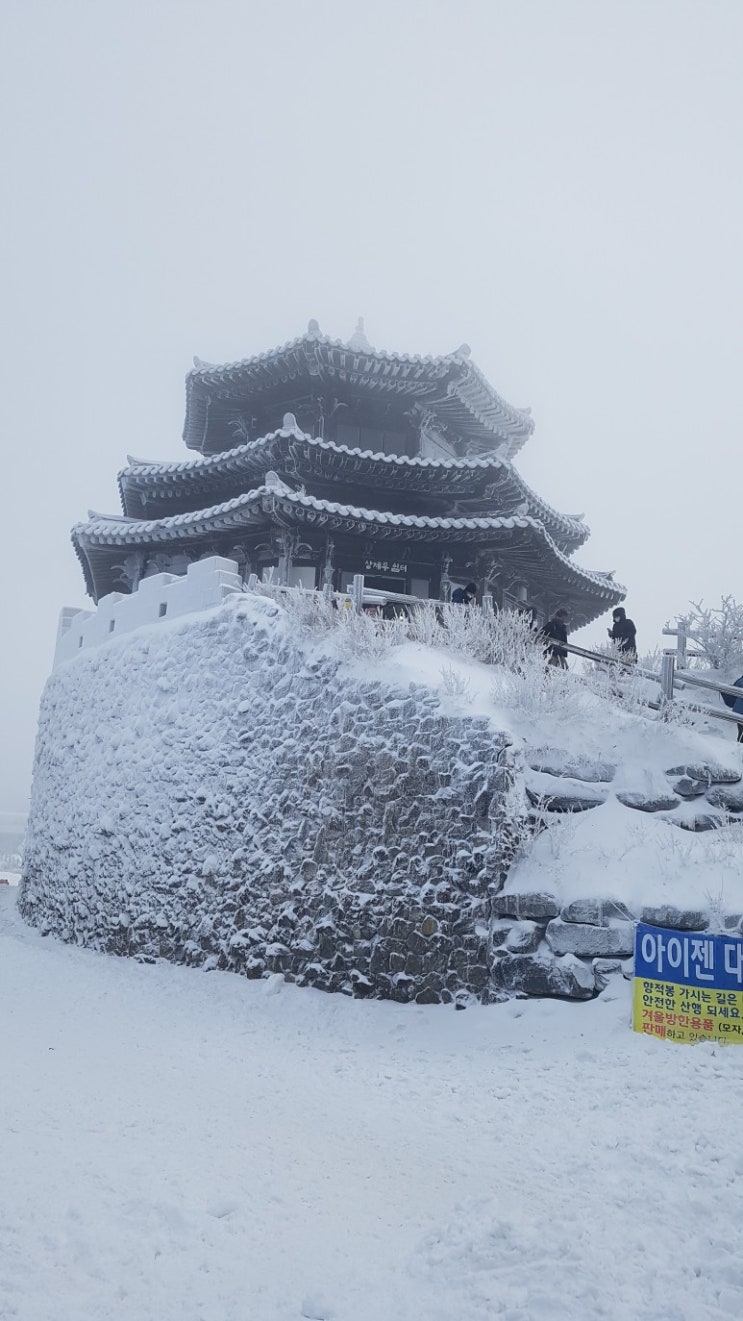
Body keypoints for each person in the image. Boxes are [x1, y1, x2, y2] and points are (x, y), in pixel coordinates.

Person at [720, 675, 743, 743]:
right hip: (741, 711)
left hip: (740, 712)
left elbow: (732, 699)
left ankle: (739, 749)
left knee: (741, 733)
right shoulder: (741, 681)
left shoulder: (740, 681)